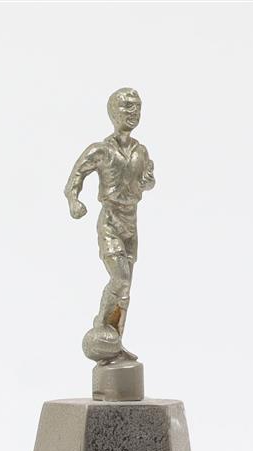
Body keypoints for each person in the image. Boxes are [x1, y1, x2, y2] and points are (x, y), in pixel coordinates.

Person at [65, 87, 156, 342]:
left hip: (131, 225)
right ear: (113, 112)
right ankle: (101, 325)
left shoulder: (141, 151)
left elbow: (146, 182)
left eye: (137, 107)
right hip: (111, 223)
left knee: (126, 289)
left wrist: (148, 182)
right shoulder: (101, 150)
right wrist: (74, 200)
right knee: (120, 278)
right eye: (127, 106)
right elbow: (76, 176)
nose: (134, 112)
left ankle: (115, 341)